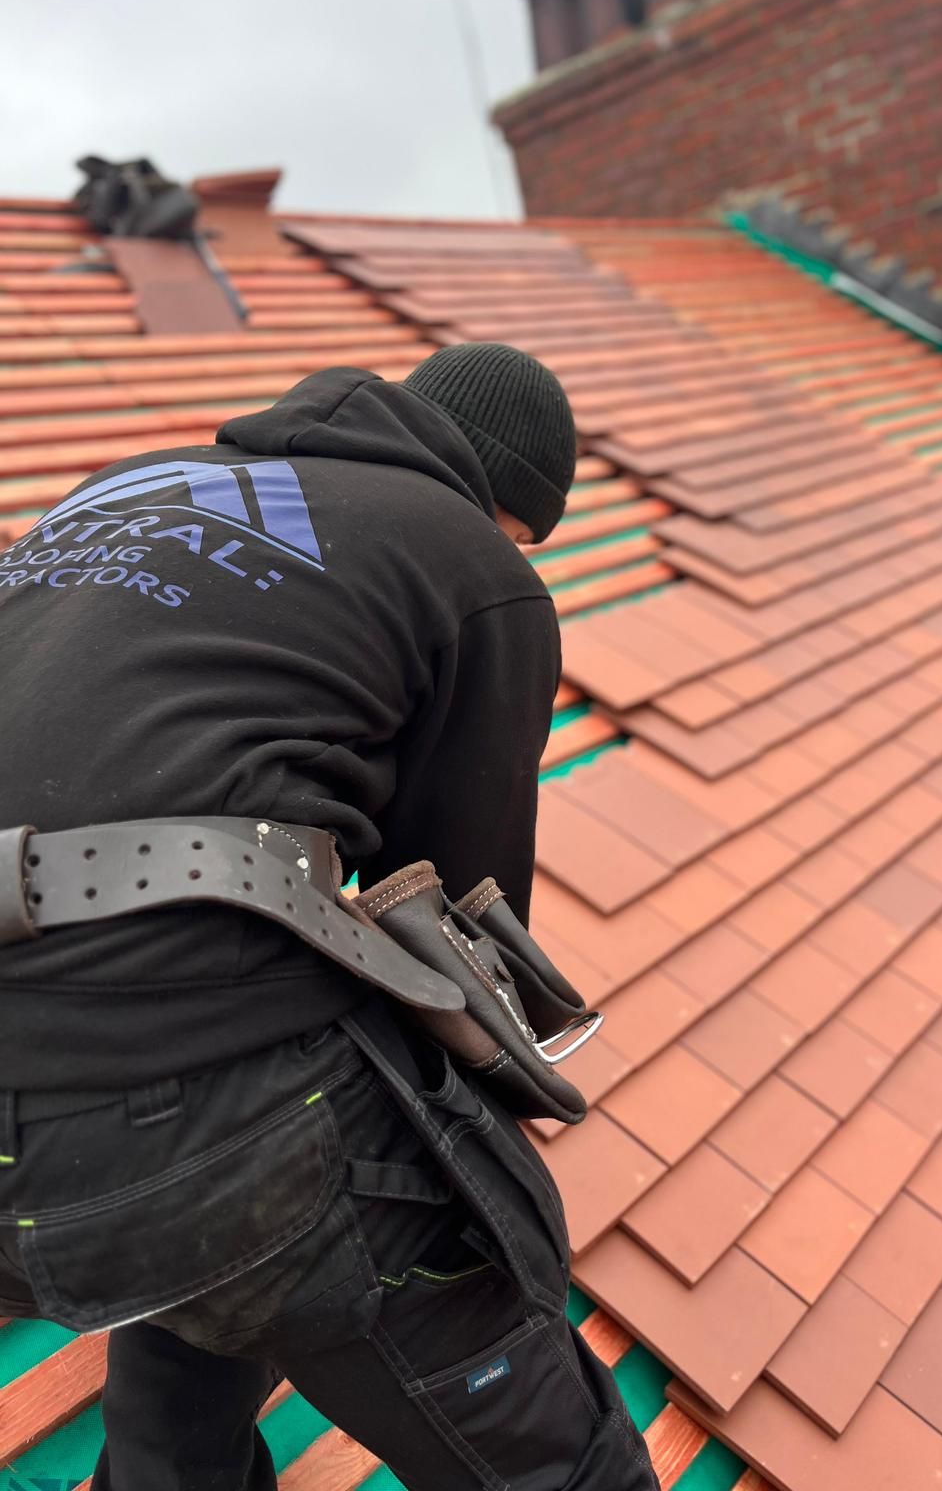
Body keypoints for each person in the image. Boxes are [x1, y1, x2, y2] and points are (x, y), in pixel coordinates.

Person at [0, 347, 658, 1491]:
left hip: (61, 1114)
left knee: (220, 1218)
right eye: (523, 538)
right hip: (184, 1111)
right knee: (562, 1457)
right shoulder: (467, 561)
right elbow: (455, 920)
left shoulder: (123, 485)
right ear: (502, 508)